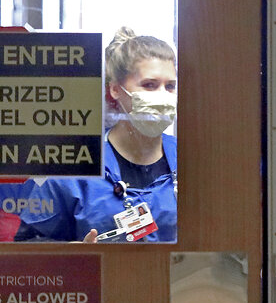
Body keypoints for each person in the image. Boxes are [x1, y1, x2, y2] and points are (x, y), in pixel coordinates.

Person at [15, 27, 178, 242]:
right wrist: (73, 256)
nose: (162, 96)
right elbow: (29, 248)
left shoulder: (190, 159)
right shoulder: (72, 164)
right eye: (149, 85)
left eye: (170, 86)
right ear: (115, 90)